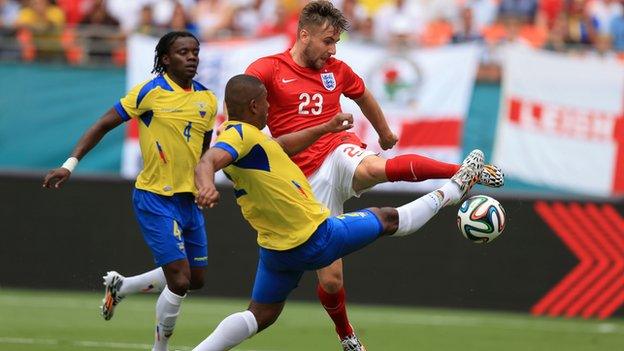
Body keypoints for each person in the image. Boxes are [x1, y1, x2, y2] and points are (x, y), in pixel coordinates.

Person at [244, 1, 504, 349]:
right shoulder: (268, 68)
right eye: (327, 41)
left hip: (337, 149)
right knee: (332, 281)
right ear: (303, 34)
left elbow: (363, 94)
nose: (332, 49)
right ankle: (347, 337)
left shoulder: (336, 69)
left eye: (336, 42)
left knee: (374, 167)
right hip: (304, 181)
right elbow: (243, 96)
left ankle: (465, 172)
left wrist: (384, 134)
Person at [191, 74, 485, 351]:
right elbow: (208, 161)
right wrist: (205, 185)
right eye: (266, 100)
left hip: (276, 250)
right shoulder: (239, 135)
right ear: (254, 105)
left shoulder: (250, 138)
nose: (270, 105)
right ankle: (455, 190)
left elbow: (279, 146)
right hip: (313, 236)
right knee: (386, 218)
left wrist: (323, 128)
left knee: (261, 314)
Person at [42, 31, 218, 351]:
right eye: (183, 52)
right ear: (165, 59)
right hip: (155, 197)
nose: (192, 57)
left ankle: (123, 285)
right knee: (179, 280)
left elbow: (204, 151)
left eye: (195, 51)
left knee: (197, 279)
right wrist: (70, 164)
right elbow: (102, 124)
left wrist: (203, 182)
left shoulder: (207, 98)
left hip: (188, 199)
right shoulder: (150, 93)